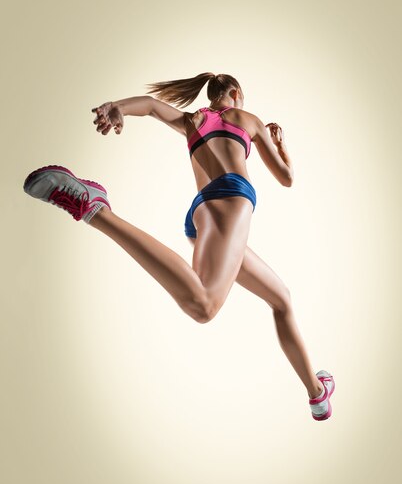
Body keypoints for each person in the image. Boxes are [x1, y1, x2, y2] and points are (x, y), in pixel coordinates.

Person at [23, 71, 335, 420]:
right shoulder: (247, 119)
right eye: (241, 98)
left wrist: (118, 108)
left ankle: (317, 393)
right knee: (203, 306)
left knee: (281, 299)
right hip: (231, 200)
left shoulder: (194, 119)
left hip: (202, 215)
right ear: (235, 93)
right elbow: (287, 177)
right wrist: (279, 142)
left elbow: (154, 107)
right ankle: (96, 211)